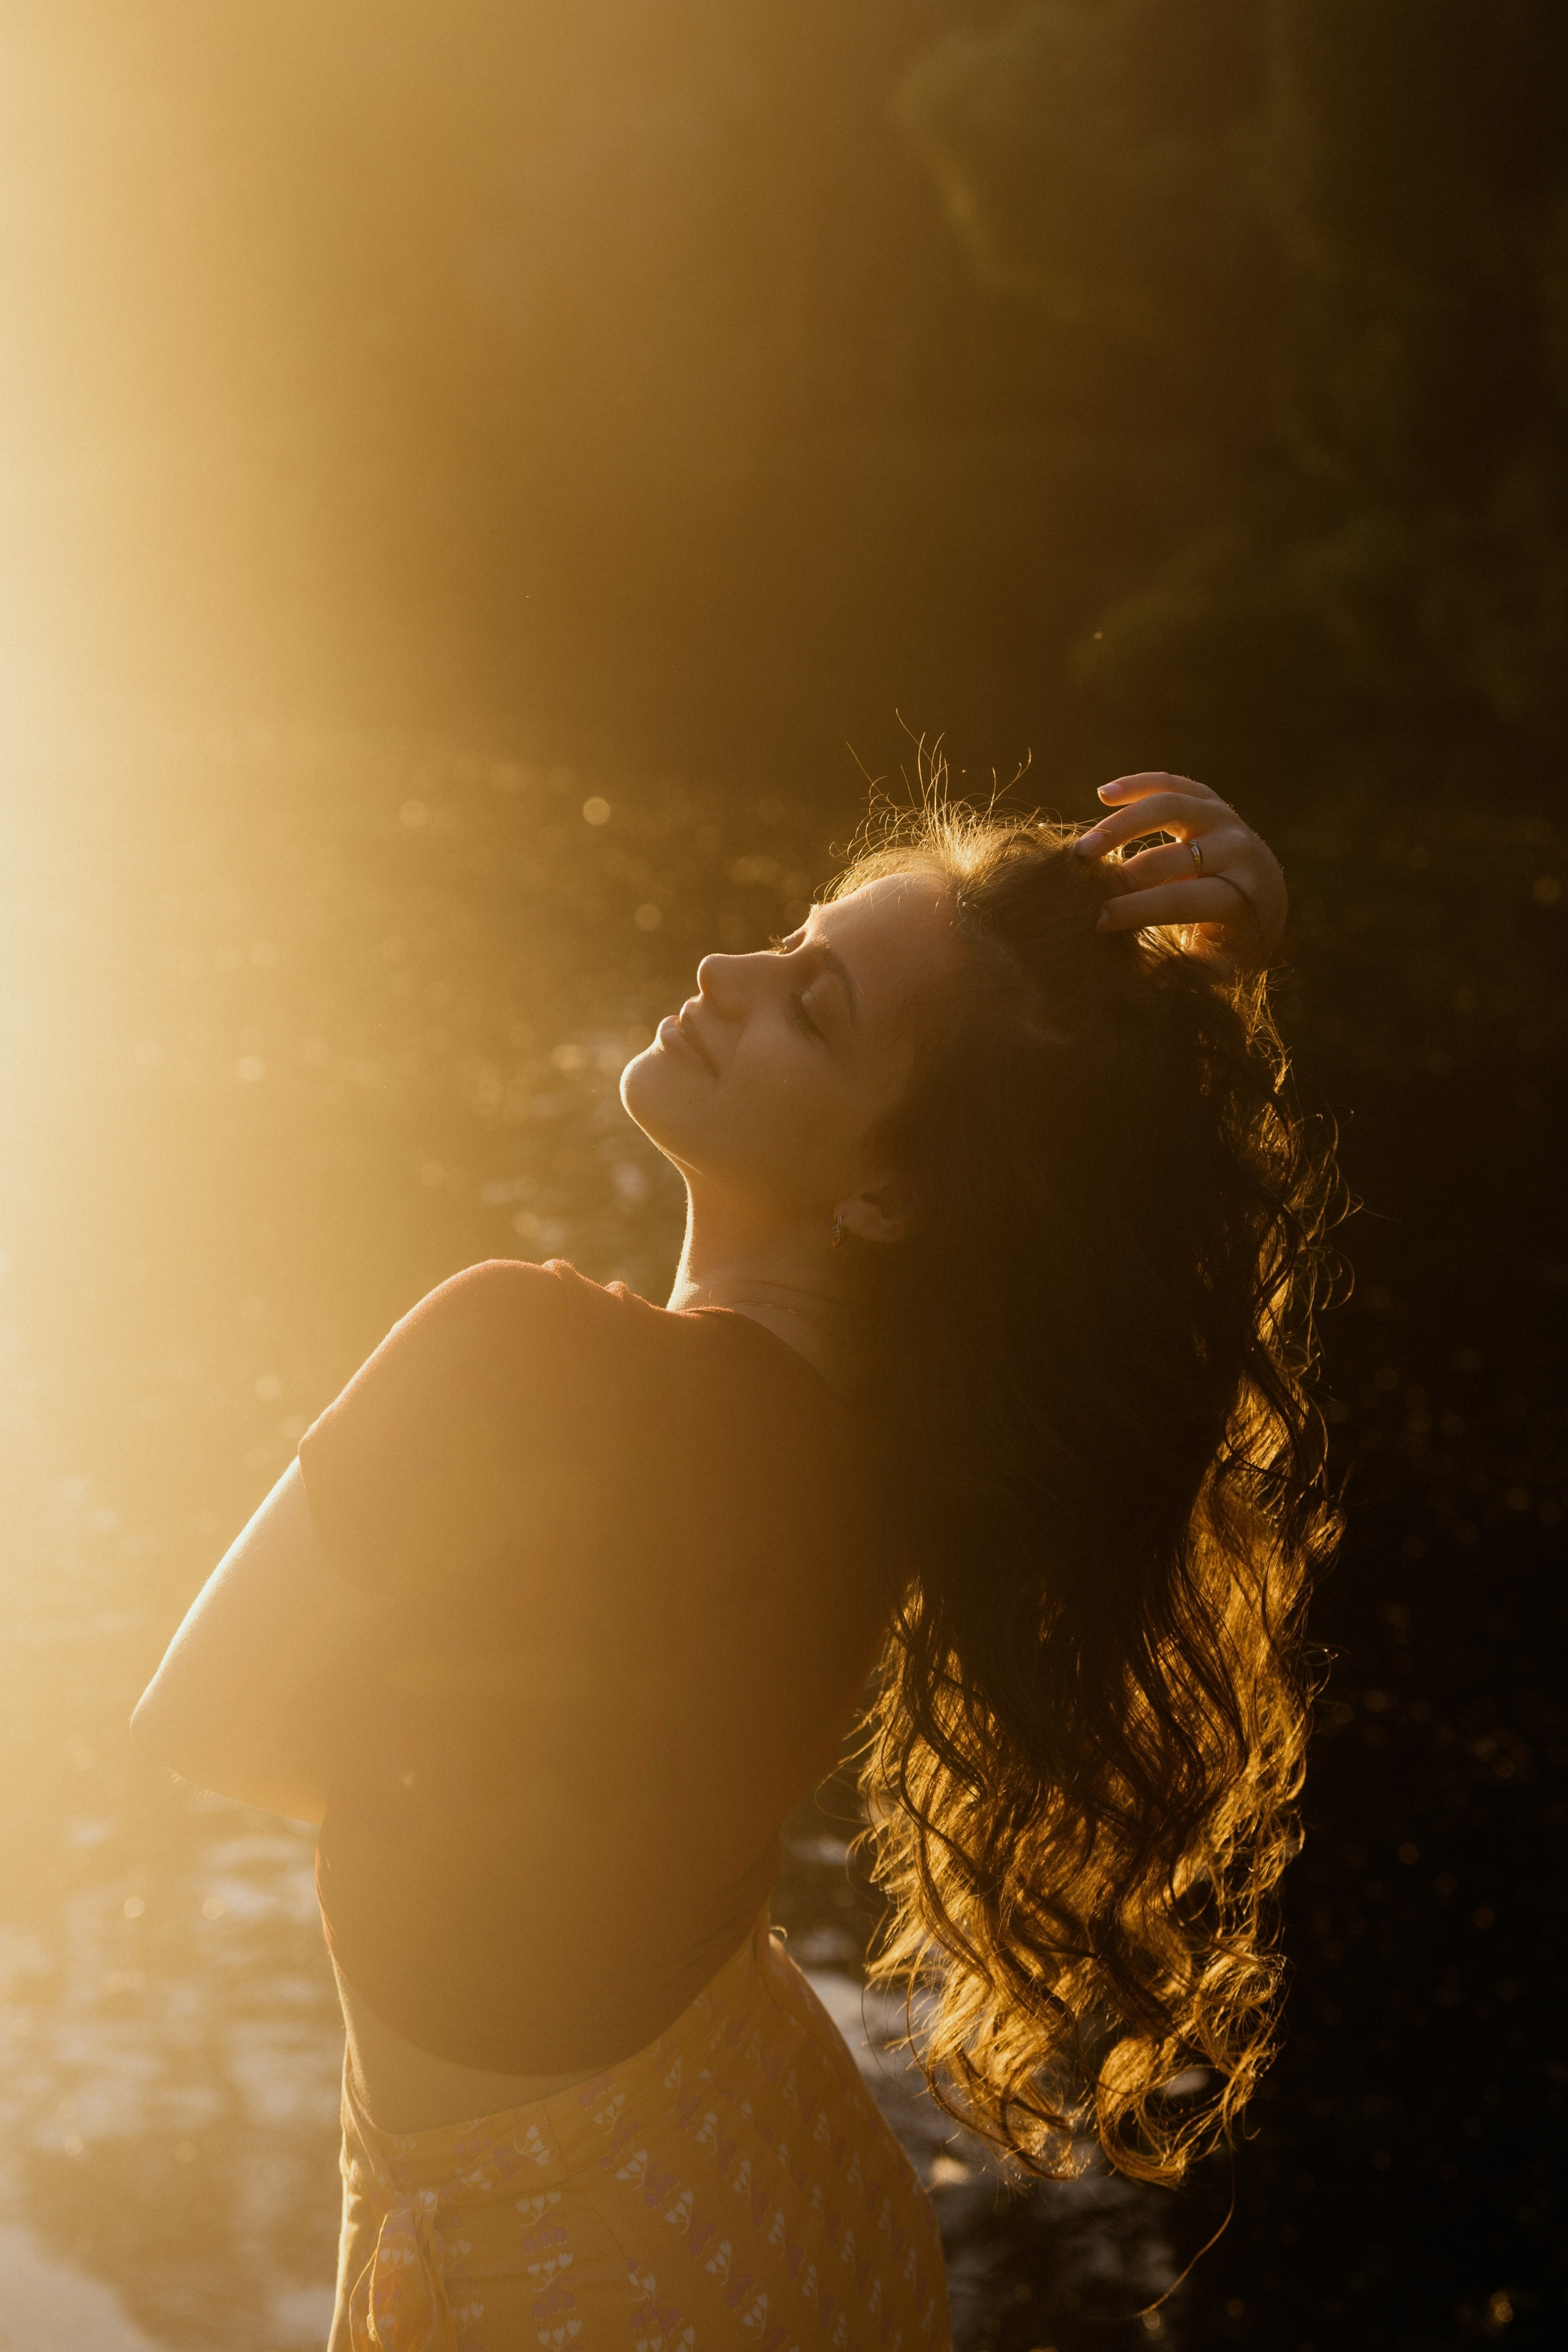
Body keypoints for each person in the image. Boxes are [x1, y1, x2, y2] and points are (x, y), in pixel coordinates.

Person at [131, 771, 1336, 2348]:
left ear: (890, 1189)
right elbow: (1063, 1185)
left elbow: (200, 1723)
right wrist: (1217, 987)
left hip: (567, 2272)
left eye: (814, 1006)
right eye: (791, 937)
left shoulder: (516, 1353)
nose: (729, 975)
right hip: (769, 2185)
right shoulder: (912, 1449)